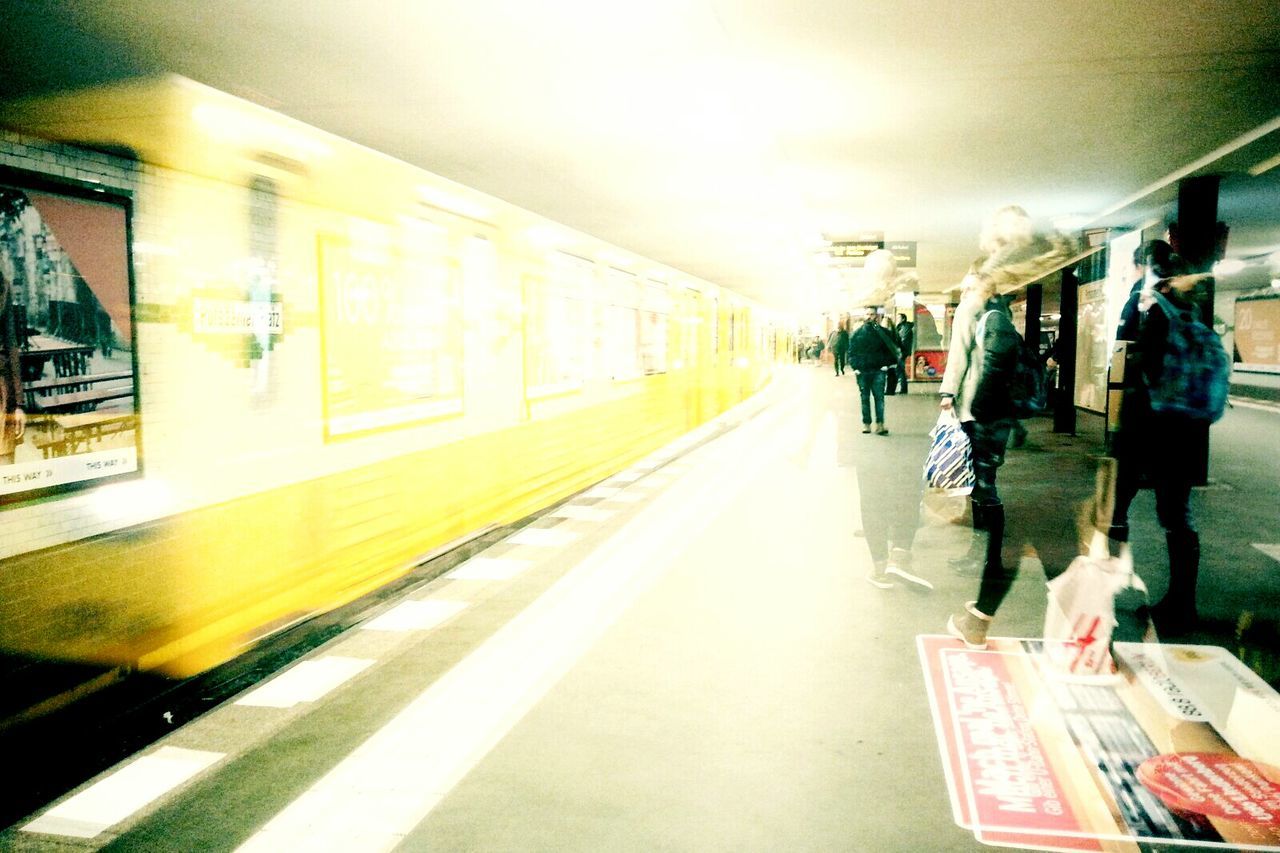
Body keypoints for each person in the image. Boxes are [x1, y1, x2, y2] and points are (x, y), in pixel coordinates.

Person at [1109, 240, 1205, 633]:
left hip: (1147, 426)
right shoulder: (1190, 310)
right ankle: (1183, 602)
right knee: (1176, 515)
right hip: (1184, 428)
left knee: (1116, 503)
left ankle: (1104, 590)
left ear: (1143, 268)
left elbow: (1134, 353)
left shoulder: (1149, 306)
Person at [939, 269, 1021, 649]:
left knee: (986, 491)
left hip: (982, 415)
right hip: (992, 416)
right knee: (982, 487)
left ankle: (980, 612)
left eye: (970, 284)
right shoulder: (998, 317)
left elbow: (961, 358)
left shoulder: (978, 314)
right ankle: (981, 553)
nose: (965, 290)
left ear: (984, 290)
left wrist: (951, 395)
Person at [847, 307, 900, 435]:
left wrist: (886, 365)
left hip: (878, 370)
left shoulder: (883, 333)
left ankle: (880, 424)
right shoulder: (857, 334)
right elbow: (851, 352)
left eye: (872, 314)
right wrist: (856, 368)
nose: (870, 316)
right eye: (867, 314)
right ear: (864, 316)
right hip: (863, 371)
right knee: (865, 398)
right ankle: (867, 424)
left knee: (879, 398)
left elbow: (890, 349)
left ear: (876, 316)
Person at [1, 268, 26, 465]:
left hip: (2, 391)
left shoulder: (3, 287)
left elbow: (11, 343)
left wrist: (19, 404)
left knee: (6, 460)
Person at [894, 312, 913, 394]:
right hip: (901, 351)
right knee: (900, 369)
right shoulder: (901, 327)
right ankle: (903, 389)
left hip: (902, 351)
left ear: (903, 319)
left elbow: (902, 340)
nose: (897, 319)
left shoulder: (905, 327)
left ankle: (895, 389)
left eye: (898, 318)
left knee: (899, 369)